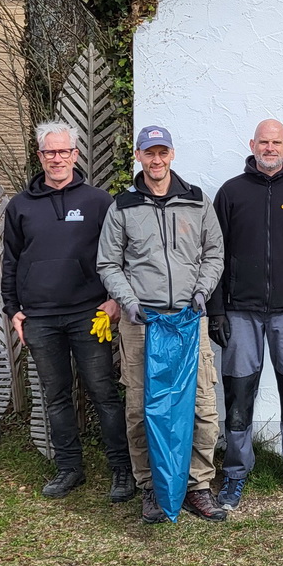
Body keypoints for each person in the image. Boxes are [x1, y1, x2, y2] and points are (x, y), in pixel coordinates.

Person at [97, 125, 227, 525]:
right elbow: (108, 262)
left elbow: (214, 254)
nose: (157, 160)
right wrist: (129, 302)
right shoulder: (122, 206)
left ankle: (198, 486)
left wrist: (202, 292)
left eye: (163, 152)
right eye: (149, 153)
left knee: (202, 405)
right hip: (142, 324)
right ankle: (151, 486)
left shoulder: (197, 201)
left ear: (172, 155)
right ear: (138, 155)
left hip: (188, 321)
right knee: (141, 407)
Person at [1, 120, 132, 504]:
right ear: (39, 156)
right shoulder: (20, 206)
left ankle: (121, 468)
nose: (57, 158)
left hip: (89, 314)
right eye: (49, 152)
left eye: (64, 151)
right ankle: (69, 468)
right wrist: (13, 309)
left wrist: (115, 299)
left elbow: (118, 256)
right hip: (39, 318)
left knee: (103, 393)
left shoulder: (98, 201)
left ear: (76, 154)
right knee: (55, 395)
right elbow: (10, 261)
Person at [211, 119, 283, 509]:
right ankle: (235, 473)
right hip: (240, 312)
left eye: (276, 142)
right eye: (264, 141)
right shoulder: (230, 194)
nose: (269, 148)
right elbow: (214, 257)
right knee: (239, 395)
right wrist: (216, 312)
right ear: (252, 144)